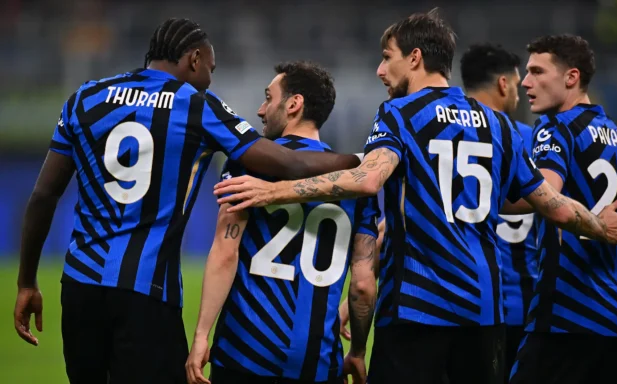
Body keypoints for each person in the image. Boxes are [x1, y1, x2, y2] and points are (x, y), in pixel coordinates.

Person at [213, 10, 617, 384]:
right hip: (486, 315)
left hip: (418, 309)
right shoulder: (496, 123)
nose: (381, 72)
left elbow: (368, 180)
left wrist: (275, 189)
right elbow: (548, 203)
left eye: (388, 59)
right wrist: (598, 224)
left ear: (416, 58)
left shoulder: (400, 114)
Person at [13, 18, 361, 384]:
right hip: (148, 291)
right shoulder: (197, 106)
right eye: (210, 68)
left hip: (80, 287)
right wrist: (360, 162)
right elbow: (288, 161)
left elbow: (43, 196)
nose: (210, 78)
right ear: (194, 59)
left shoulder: (85, 97)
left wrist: (26, 282)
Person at [185, 61, 379, 384]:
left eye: (268, 97)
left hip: (245, 356)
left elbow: (225, 252)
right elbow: (362, 284)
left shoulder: (249, 163)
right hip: (318, 364)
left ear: (294, 104)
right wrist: (357, 351)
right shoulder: (355, 184)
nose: (261, 110)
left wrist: (202, 334)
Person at [507, 34, 617, 384]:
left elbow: (544, 194)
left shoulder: (555, 130)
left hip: (566, 318)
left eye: (538, 72)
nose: (526, 82)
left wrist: (481, 197)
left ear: (571, 77)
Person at [459, 43, 538, 380]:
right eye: (518, 85)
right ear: (503, 84)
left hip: (460, 302)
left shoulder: (446, 135)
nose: (520, 95)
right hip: (523, 304)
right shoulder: (528, 138)